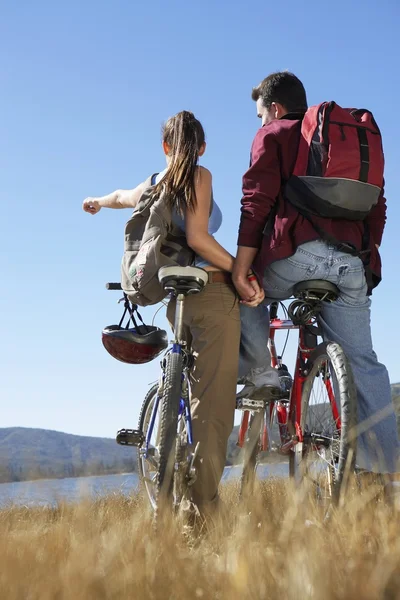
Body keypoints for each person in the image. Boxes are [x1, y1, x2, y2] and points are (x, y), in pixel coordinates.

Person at [83, 110, 264, 518]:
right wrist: (239, 269)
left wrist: (96, 202)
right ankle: (201, 510)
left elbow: (119, 196)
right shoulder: (199, 176)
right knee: (214, 404)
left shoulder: (152, 183)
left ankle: (172, 471)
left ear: (164, 147)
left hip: (173, 299)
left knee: (188, 384)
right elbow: (199, 238)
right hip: (210, 294)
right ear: (201, 147)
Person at [232, 71, 399, 475]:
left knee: (245, 291)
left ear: (274, 108)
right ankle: (382, 476)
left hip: (295, 257)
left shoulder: (274, 134)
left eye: (260, 115)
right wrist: (366, 256)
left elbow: (256, 202)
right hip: (352, 264)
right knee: (364, 360)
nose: (261, 123)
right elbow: (378, 207)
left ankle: (261, 371)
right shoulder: (343, 142)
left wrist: (241, 270)